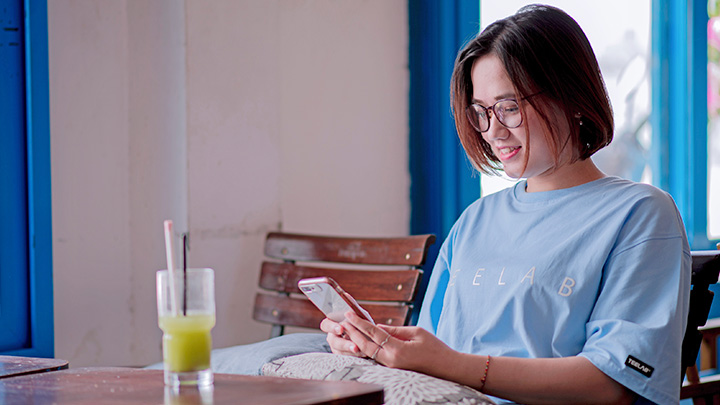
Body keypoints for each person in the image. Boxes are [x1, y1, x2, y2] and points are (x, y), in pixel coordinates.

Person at [318, 4, 690, 405]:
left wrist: (454, 365)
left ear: (572, 95)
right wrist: (379, 347)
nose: (493, 131)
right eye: (480, 112)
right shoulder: (475, 221)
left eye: (509, 108)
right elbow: (433, 358)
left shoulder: (640, 214)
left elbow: (612, 383)